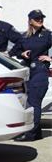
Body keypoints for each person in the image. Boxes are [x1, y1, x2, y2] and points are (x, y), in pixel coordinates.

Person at [9, 9, 51, 142]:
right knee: (29, 103)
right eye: (37, 18)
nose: (40, 20)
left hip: (40, 72)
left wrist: (50, 58)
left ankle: (31, 134)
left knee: (34, 103)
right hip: (27, 73)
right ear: (30, 21)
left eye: (41, 18)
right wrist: (21, 54)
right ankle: (36, 132)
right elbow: (12, 52)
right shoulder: (24, 37)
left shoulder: (47, 35)